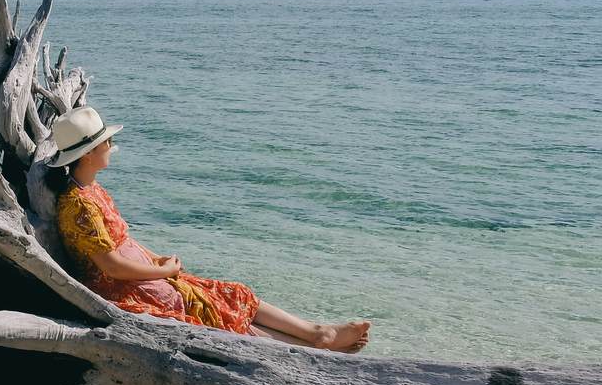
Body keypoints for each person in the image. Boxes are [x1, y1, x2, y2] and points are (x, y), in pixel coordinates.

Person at [45, 105, 371, 352]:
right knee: (210, 309)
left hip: (137, 274)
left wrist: (156, 258)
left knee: (229, 293)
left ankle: (316, 333)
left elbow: (122, 239)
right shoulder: (79, 205)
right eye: (107, 141)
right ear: (88, 154)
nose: (111, 146)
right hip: (118, 287)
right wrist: (160, 273)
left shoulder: (91, 190)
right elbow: (111, 266)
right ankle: (305, 346)